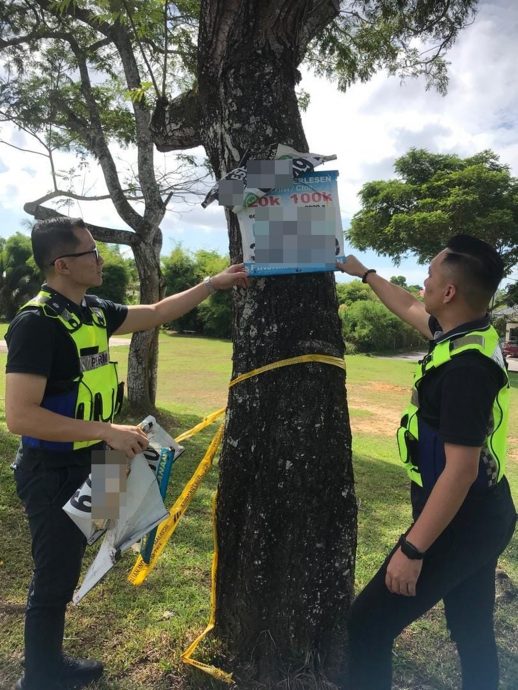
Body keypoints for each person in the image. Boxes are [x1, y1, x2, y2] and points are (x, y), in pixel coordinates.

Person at [5, 217, 248, 690]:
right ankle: (39, 676)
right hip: (51, 470)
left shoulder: (92, 310)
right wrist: (107, 430)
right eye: (90, 254)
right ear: (62, 265)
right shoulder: (36, 325)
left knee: (82, 559)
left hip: (96, 461)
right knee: (54, 577)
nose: (100, 260)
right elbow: (20, 416)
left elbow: (156, 311)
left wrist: (212, 284)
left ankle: (50, 662)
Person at [337, 235, 516, 690]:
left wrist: (412, 550)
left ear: (450, 293)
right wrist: (365, 274)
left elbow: (461, 470)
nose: (424, 283)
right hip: (484, 513)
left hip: (464, 520)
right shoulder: (464, 335)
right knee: (471, 629)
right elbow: (410, 309)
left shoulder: (467, 369)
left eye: (431, 276)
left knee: (367, 626)